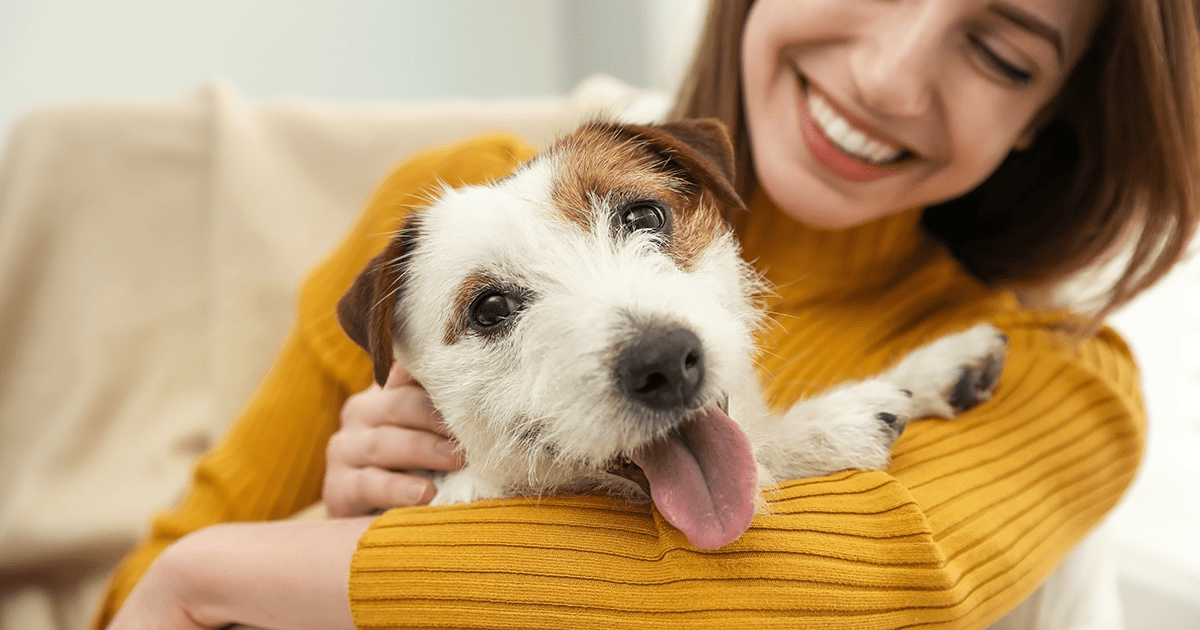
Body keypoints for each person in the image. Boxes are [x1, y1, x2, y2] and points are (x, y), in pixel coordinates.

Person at [96, 0, 1200, 628]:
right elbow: (140, 606)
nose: (889, 76)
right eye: (493, 312)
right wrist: (316, 536)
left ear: (1045, 114)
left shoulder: (1052, 375)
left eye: (1000, 50)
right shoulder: (444, 221)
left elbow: (864, 591)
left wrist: (253, 577)